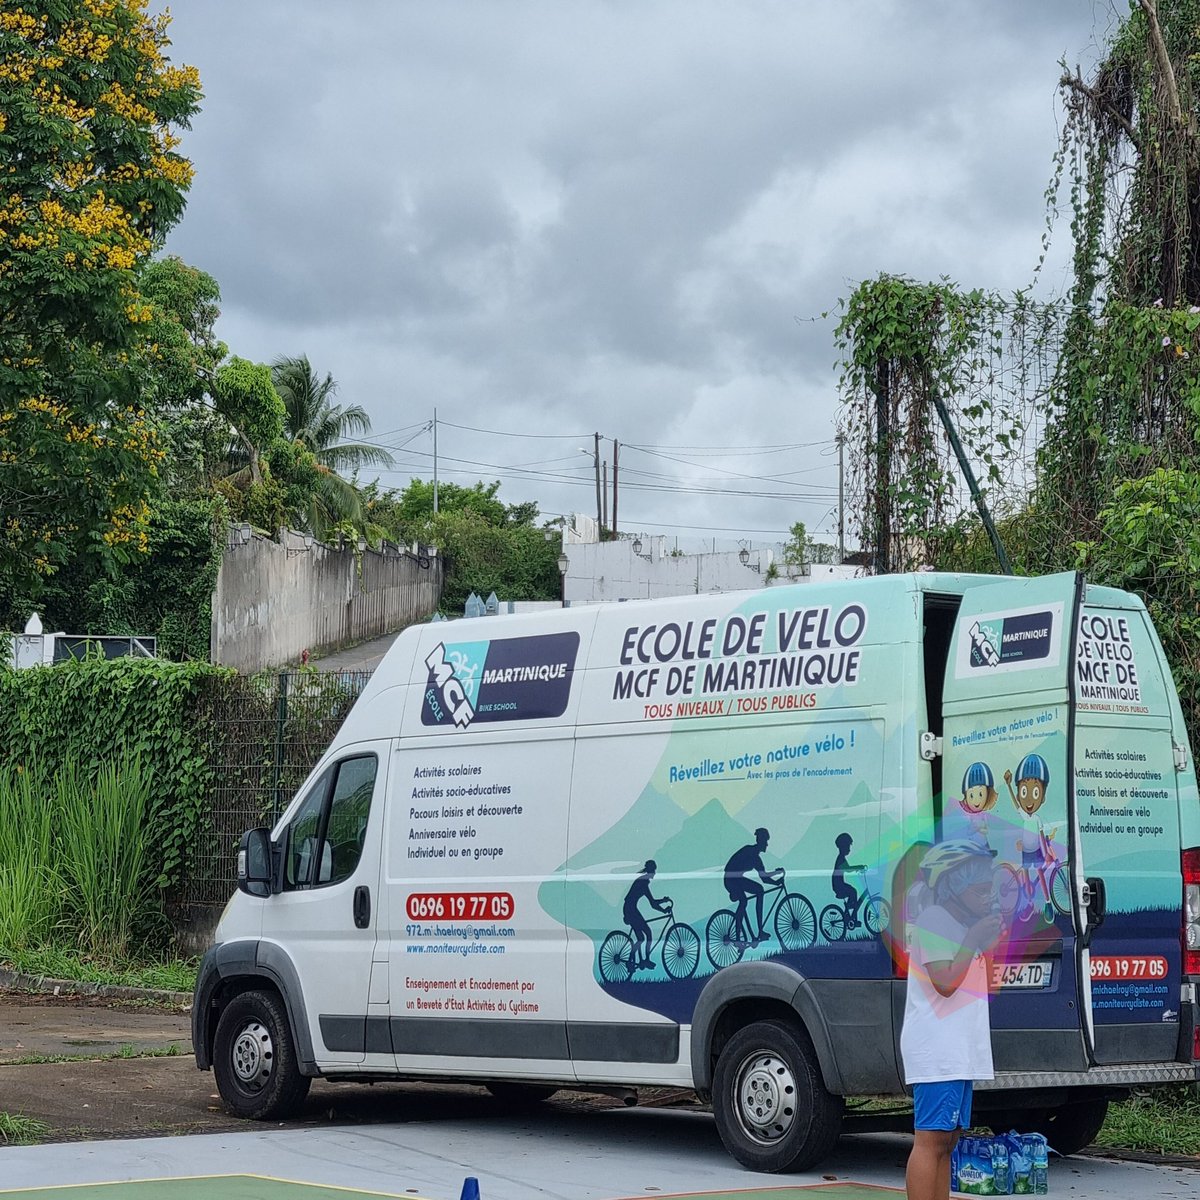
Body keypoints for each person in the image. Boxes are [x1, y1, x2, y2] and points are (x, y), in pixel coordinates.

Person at [901, 839, 1002, 1200]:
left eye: (989, 888)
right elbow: (944, 982)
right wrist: (973, 938)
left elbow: (980, 986)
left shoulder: (960, 924)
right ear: (954, 885)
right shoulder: (934, 919)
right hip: (937, 1050)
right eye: (980, 889)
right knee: (930, 1140)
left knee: (948, 1140)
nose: (987, 896)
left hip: (959, 1049)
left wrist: (983, 945)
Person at [723, 827, 784, 945]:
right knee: (744, 901)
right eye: (765, 841)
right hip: (730, 880)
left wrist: (776, 879)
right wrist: (776, 877)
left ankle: (759, 931)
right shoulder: (749, 852)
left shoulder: (756, 858)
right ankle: (737, 937)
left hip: (737, 879)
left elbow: (764, 878)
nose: (767, 844)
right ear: (760, 841)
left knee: (759, 890)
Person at [622, 859, 671, 969]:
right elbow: (652, 904)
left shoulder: (643, 881)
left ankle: (639, 960)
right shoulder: (643, 882)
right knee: (645, 935)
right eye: (654, 870)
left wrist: (662, 901)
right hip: (630, 909)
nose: (655, 873)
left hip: (630, 908)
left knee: (643, 937)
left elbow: (652, 902)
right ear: (650, 870)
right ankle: (643, 959)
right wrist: (663, 909)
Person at [831, 832, 865, 926]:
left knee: (853, 892)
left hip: (839, 883)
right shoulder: (840, 859)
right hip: (838, 885)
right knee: (853, 891)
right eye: (848, 846)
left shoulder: (841, 858)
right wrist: (859, 867)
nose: (849, 849)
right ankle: (850, 914)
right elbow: (848, 869)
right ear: (842, 847)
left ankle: (851, 914)